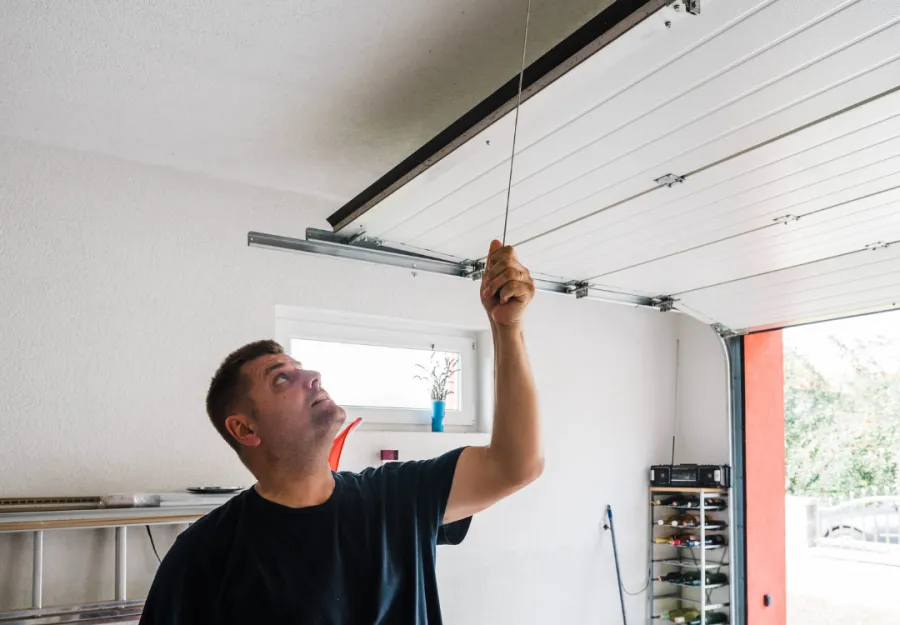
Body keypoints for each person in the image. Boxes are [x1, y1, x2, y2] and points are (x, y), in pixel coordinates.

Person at [139, 240, 543, 624]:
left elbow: (515, 465)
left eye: (303, 368)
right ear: (245, 428)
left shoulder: (399, 498)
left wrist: (507, 330)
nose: (313, 376)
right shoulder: (204, 557)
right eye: (282, 379)